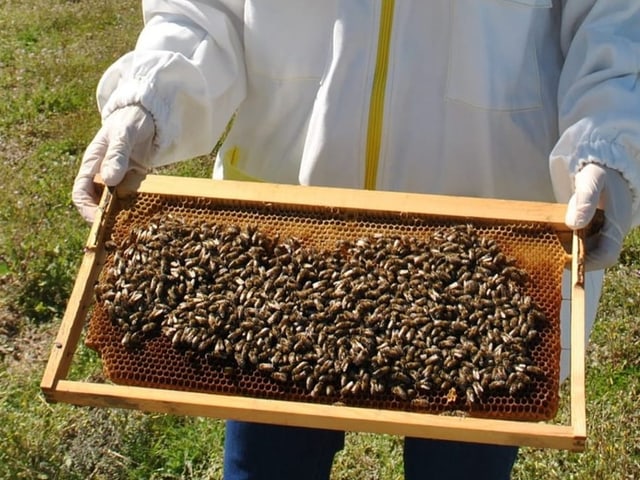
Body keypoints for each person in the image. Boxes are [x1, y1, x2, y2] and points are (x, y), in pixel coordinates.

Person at [72, 1, 640, 479]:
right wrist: (151, 98)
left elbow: (614, 20)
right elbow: (202, 9)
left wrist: (609, 143)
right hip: (282, 256)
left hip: (493, 265)